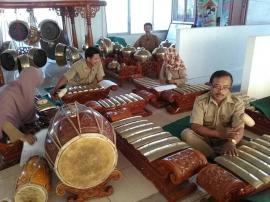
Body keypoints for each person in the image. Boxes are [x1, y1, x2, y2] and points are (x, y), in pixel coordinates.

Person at [181, 70, 245, 158]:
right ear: (210, 85)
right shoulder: (200, 100)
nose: (221, 91)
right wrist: (218, 133)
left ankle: (213, 152)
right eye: (217, 86)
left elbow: (239, 127)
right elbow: (195, 126)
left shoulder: (238, 102)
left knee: (247, 144)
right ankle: (213, 156)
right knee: (186, 134)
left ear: (230, 88)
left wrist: (232, 142)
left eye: (225, 87)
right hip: (205, 136)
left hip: (226, 138)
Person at [0, 67, 44, 145]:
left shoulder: (23, 86)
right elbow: (3, 121)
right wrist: (22, 136)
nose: (34, 89)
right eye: (34, 85)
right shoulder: (9, 94)